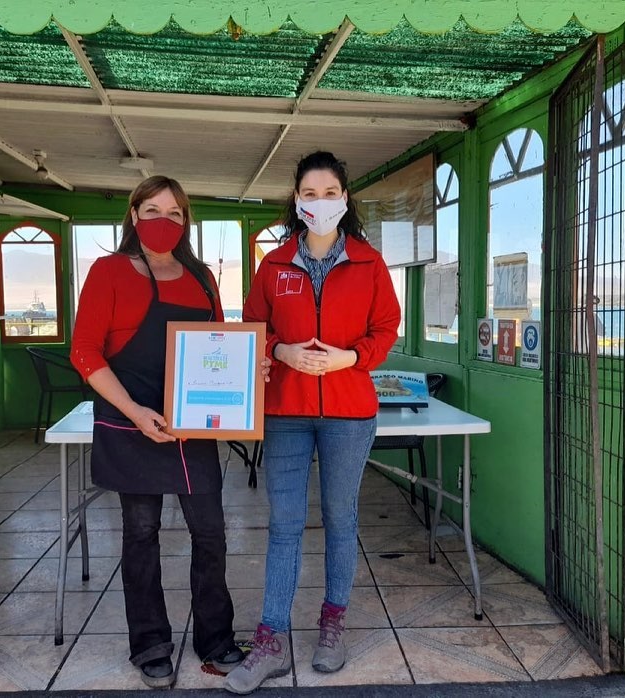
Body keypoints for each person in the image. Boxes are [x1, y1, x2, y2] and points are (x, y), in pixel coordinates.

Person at [71, 176, 262, 688]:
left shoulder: (201, 276)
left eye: (175, 212)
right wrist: (135, 411)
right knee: (141, 535)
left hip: (193, 428)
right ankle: (150, 643)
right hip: (131, 422)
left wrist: (248, 370)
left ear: (185, 221)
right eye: (153, 210)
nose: (164, 220)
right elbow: (84, 352)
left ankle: (216, 639)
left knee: (211, 533)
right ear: (133, 215)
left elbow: (220, 343)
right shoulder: (110, 271)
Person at [226, 152, 401, 694]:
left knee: (340, 518)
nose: (320, 202)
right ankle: (271, 639)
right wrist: (280, 351)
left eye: (330, 193)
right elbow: (254, 326)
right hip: (286, 411)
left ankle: (332, 623)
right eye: (310, 193)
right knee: (284, 523)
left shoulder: (369, 263)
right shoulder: (274, 265)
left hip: (349, 413)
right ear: (296, 200)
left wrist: (351, 358)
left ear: (344, 199)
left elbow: (386, 327)